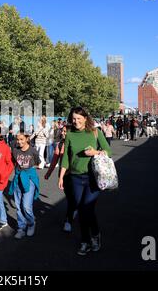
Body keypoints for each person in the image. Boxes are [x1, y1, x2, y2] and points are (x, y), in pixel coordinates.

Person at [58, 107, 112, 256]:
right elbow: (66, 158)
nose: (76, 121)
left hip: (93, 178)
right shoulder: (69, 134)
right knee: (83, 209)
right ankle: (93, 235)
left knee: (85, 209)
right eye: (73, 119)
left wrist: (94, 152)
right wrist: (61, 176)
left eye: (79, 118)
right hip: (75, 178)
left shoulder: (95, 132)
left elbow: (109, 151)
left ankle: (86, 240)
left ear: (85, 118)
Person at [45, 125, 78, 232]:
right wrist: (48, 173)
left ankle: (68, 220)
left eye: (65, 131)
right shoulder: (59, 144)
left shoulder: (76, 144)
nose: (63, 133)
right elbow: (54, 160)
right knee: (70, 198)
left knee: (73, 198)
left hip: (76, 174)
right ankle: (71, 214)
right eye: (62, 131)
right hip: (64, 175)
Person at [9, 132, 41, 239]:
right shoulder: (15, 150)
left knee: (26, 206)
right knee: (18, 206)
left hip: (29, 178)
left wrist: (28, 170)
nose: (19, 142)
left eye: (22, 139)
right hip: (18, 178)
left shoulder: (33, 150)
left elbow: (37, 162)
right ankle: (21, 228)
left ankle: (31, 223)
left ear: (27, 139)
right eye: (18, 139)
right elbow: (14, 162)